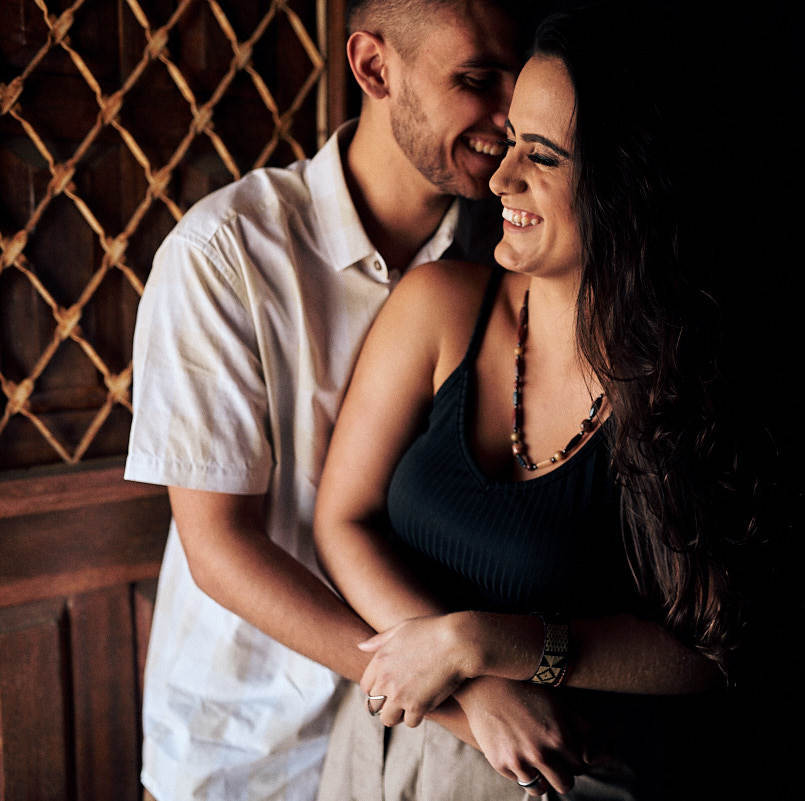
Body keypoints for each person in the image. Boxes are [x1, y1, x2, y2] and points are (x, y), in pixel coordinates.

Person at [313, 5, 762, 799]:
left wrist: (488, 642)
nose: (501, 176)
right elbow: (342, 520)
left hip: (565, 776)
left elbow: (707, 650)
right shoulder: (440, 306)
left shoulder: (685, 376)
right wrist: (469, 682)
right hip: (389, 744)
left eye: (543, 156)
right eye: (512, 138)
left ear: (626, 185)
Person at [123, 2, 539, 798]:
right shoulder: (225, 253)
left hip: (396, 751)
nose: (510, 112)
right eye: (477, 79)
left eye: (517, 78)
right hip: (240, 742)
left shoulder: (503, 253)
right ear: (374, 68)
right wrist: (462, 698)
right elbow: (220, 550)